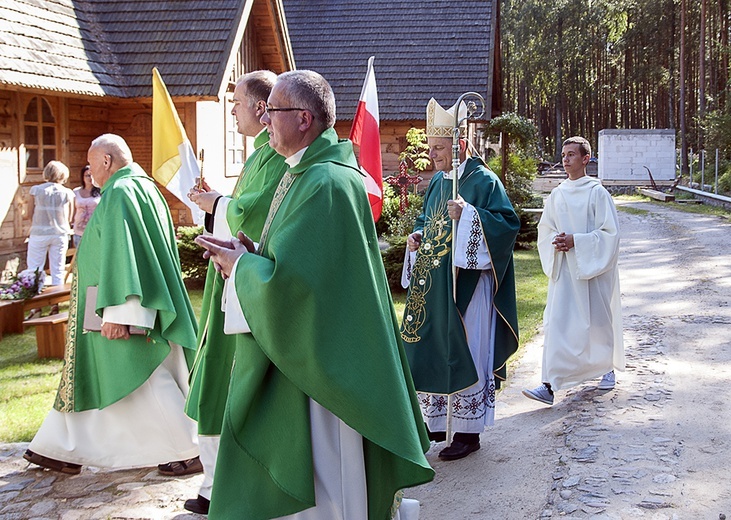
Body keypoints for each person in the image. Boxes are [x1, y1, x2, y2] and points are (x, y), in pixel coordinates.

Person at [195, 70, 434, 519]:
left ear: (304, 119)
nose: (265, 120)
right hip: (310, 350)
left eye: (273, 112)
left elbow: (299, 287)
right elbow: (293, 257)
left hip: (321, 361)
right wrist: (249, 250)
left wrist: (241, 267)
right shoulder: (302, 172)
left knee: (326, 479)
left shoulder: (325, 182)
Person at [24, 134, 201, 476]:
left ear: (107, 161)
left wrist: (121, 313)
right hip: (123, 300)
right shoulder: (143, 186)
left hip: (120, 304)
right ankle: (61, 446)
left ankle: (189, 447)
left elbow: (124, 251)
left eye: (91, 165)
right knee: (94, 373)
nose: (89, 173)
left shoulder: (121, 192)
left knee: (144, 375)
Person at [182, 70, 286, 516]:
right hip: (231, 279)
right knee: (217, 379)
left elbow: (259, 215)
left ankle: (225, 482)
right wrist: (219, 205)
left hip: (250, 285)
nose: (233, 110)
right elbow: (246, 209)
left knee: (233, 380)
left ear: (262, 109)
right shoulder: (260, 154)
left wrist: (219, 207)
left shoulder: (275, 155)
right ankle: (215, 480)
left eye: (237, 102)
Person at [400, 98, 520, 461]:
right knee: (438, 346)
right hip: (438, 285)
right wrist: (417, 237)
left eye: (439, 148)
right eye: (431, 148)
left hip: (471, 286)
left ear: (460, 147)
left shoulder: (484, 180)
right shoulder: (438, 182)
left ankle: (468, 432)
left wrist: (469, 214)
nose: (433, 155)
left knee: (468, 347)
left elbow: (507, 225)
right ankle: (436, 420)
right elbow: (427, 220)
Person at [522, 136, 624, 406]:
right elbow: (546, 228)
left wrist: (576, 241)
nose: (565, 159)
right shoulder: (558, 193)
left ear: (586, 159)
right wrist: (556, 241)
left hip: (591, 271)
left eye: (571, 155)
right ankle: (549, 384)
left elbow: (609, 234)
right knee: (557, 322)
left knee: (596, 320)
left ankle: (606, 368)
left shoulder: (597, 193)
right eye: (564, 154)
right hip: (565, 271)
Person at [25, 160, 74, 318]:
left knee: (34, 268)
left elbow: (27, 213)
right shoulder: (67, 192)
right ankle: (55, 305)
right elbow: (70, 215)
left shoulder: (37, 190)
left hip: (39, 232)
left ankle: (35, 308)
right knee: (58, 268)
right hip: (59, 233)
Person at [71, 164, 101, 248]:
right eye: (87, 175)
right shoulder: (76, 192)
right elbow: (72, 210)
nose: (90, 178)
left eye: (92, 175)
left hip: (95, 230)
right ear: (82, 177)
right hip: (79, 230)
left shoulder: (101, 192)